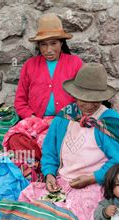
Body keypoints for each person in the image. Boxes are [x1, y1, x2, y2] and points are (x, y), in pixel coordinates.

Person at [18, 63, 119, 220]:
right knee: (29, 196)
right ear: (75, 95)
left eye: (95, 99)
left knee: (79, 212)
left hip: (93, 182)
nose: (89, 104)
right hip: (63, 179)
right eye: (84, 98)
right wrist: (49, 174)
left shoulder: (108, 121)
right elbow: (50, 151)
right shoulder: (64, 117)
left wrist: (93, 177)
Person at [5, 13, 83, 181]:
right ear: (38, 46)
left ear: (62, 43)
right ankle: (50, 163)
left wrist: (69, 118)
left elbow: (83, 97)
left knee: (67, 141)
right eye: (43, 44)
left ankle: (42, 164)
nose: (48, 50)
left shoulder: (75, 63)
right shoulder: (30, 66)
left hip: (65, 121)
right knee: (16, 139)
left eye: (54, 43)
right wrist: (33, 119)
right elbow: (20, 100)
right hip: (36, 122)